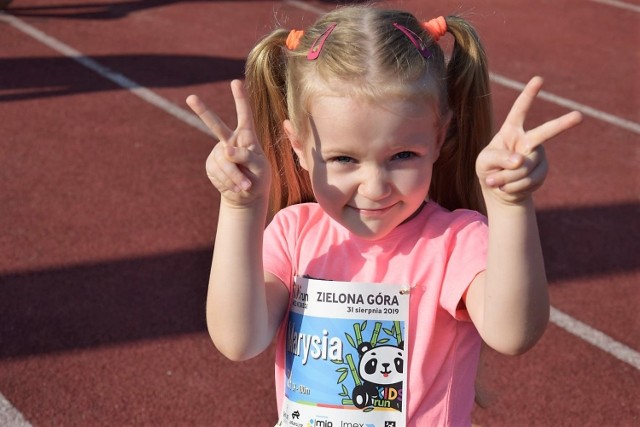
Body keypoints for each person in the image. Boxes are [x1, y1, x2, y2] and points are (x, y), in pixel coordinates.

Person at [186, 5, 582, 426]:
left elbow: (513, 334)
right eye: (343, 159)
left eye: (402, 156)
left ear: (439, 137)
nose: (374, 187)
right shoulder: (291, 234)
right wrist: (240, 207)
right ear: (299, 147)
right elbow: (237, 339)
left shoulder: (457, 243)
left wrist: (511, 205)